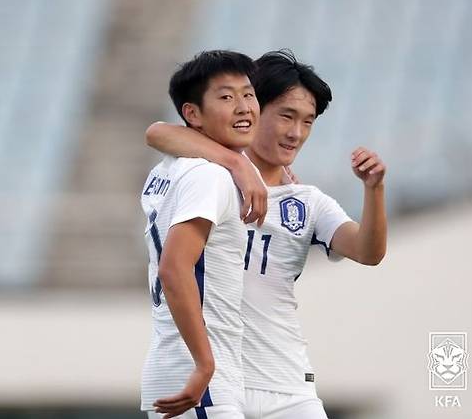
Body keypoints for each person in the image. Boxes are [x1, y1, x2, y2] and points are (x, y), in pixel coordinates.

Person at [145, 49, 387, 419]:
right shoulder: (209, 178)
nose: (296, 132)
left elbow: (369, 252)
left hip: (287, 379)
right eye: (287, 116)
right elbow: (158, 132)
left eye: (308, 122)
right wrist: (235, 163)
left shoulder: (306, 201)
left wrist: (374, 190)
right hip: (223, 374)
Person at [140, 50, 260, 419]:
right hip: (199, 376)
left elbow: (158, 132)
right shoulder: (209, 176)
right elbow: (174, 269)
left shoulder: (174, 166)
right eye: (226, 97)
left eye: (249, 94)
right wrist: (205, 365)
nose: (243, 107)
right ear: (192, 114)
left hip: (176, 362)